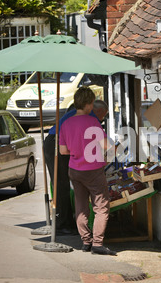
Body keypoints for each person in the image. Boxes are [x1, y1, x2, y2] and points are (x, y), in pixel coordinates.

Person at [59, 87, 116, 256]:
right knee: (101, 206)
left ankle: (85, 241)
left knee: (81, 206)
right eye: (91, 103)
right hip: (93, 170)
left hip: (75, 169)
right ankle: (97, 244)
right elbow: (107, 145)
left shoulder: (66, 123)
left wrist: (78, 150)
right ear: (88, 104)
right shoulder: (92, 122)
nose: (92, 107)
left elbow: (63, 150)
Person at [44, 99, 108, 235]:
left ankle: (66, 221)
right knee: (61, 184)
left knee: (62, 184)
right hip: (55, 144)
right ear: (98, 111)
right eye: (103, 116)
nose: (102, 120)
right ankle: (63, 224)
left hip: (53, 142)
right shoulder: (89, 116)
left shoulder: (79, 112)